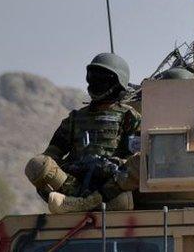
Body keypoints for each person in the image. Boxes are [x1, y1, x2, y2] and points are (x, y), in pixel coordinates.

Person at [24, 53, 140, 214]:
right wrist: (70, 167)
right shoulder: (75, 119)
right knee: (37, 164)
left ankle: (87, 203)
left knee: (142, 163)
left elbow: (136, 155)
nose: (96, 83)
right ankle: (82, 201)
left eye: (102, 79)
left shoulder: (130, 117)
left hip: (112, 186)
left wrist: (113, 164)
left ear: (117, 82)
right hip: (75, 184)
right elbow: (50, 157)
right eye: (93, 77)